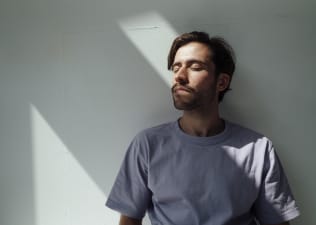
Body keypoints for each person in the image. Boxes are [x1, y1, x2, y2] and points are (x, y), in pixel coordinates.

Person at [106, 31, 300, 225]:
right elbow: (129, 220)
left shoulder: (258, 149)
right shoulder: (148, 145)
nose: (180, 77)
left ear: (221, 82)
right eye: (176, 68)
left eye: (195, 67)